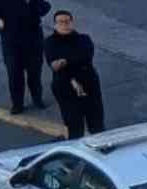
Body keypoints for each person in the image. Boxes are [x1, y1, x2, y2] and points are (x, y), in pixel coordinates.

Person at [43, 11, 104, 139]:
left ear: (72, 23)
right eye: (60, 22)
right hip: (65, 88)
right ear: (55, 25)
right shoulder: (50, 42)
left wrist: (66, 61)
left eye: (67, 21)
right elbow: (55, 65)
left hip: (89, 85)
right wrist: (73, 78)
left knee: (97, 123)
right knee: (74, 125)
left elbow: (86, 56)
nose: (64, 24)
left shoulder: (84, 39)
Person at [0, 0, 51, 114]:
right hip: (11, 45)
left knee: (34, 74)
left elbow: (45, 8)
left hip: (33, 43)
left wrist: (32, 2)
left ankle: (37, 99)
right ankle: (17, 104)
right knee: (14, 76)